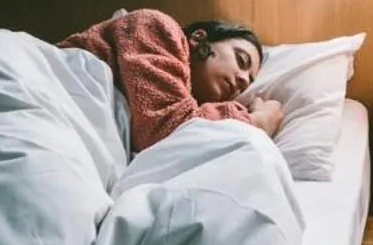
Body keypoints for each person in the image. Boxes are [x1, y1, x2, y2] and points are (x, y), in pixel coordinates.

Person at [59, 10, 283, 154]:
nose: (243, 80)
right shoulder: (155, 26)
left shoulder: (190, 107)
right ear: (198, 38)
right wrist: (259, 120)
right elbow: (162, 127)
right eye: (241, 60)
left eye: (248, 83)